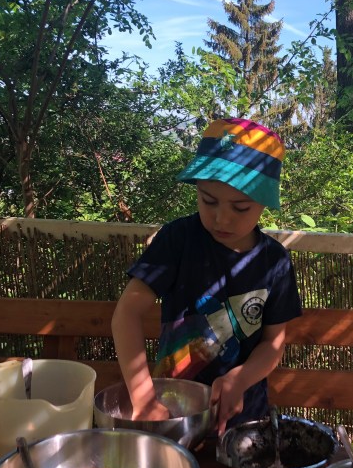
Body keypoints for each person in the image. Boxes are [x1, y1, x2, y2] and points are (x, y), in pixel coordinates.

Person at [111, 118, 302, 437]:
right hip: (170, 412)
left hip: (244, 420)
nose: (221, 217)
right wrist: (144, 398)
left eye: (240, 207)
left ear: (264, 205)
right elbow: (126, 313)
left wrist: (240, 379)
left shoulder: (275, 262)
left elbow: (273, 343)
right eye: (208, 200)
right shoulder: (178, 240)